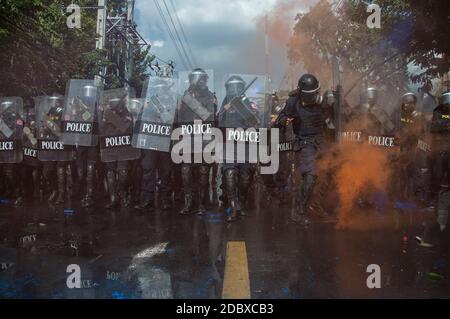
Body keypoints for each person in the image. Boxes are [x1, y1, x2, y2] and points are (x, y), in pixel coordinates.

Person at [275, 74, 326, 226]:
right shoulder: (293, 102)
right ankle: (298, 212)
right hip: (305, 143)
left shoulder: (322, 101)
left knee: (332, 170)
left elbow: (340, 114)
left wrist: (335, 101)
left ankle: (316, 204)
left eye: (316, 93)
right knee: (310, 176)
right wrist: (285, 120)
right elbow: (280, 119)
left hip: (321, 141)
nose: (314, 97)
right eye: (311, 94)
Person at [177, 68, 217, 215]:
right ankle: (188, 202)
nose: (198, 81)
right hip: (188, 137)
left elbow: (209, 115)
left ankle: (201, 202)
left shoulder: (210, 96)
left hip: (204, 138)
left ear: (205, 80)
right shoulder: (185, 95)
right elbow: (180, 116)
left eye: (200, 79)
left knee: (203, 170)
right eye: (195, 79)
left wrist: (191, 102)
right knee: (186, 170)